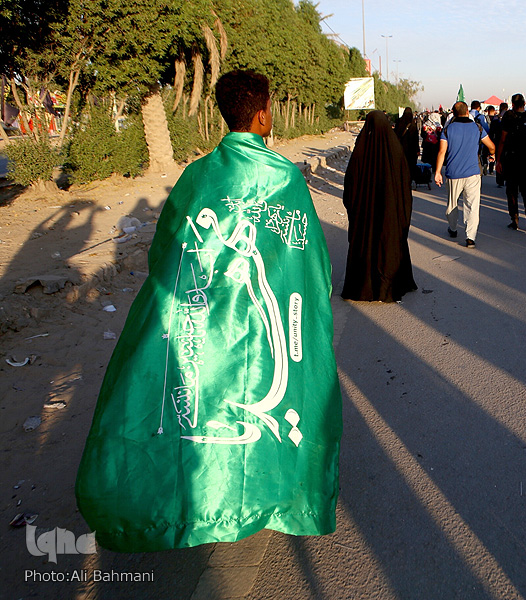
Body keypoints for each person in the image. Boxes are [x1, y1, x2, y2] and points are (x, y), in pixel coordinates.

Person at [75, 70, 343, 551]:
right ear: (263, 115)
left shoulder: (197, 176)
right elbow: (309, 261)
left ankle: (195, 506)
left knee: (205, 400)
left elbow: (166, 251)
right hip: (264, 322)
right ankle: (272, 500)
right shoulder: (284, 178)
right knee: (265, 398)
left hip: (205, 317)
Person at [342, 110, 418, 302]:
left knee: (365, 245)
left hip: (364, 216)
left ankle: (363, 288)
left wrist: (356, 208)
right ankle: (387, 287)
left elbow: (350, 186)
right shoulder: (395, 151)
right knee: (389, 245)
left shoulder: (360, 152)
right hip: (390, 214)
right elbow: (404, 185)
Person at [434, 101, 496, 248]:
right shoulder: (477, 128)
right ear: (467, 112)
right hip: (473, 173)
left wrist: (437, 172)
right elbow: (491, 146)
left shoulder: (447, 130)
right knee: (472, 205)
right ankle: (470, 237)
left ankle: (453, 228)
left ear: (454, 114)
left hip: (453, 173)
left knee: (452, 204)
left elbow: (442, 152)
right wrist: (492, 154)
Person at [496, 93, 526, 233]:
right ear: (524, 104)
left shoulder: (509, 118)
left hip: (512, 160)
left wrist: (498, 160)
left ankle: (514, 219)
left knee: (512, 191)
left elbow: (502, 140)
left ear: (513, 104)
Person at [394, 107, 419, 173]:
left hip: (400, 148)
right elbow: (415, 138)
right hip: (411, 149)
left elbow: (395, 134)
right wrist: (417, 149)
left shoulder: (399, 122)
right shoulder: (412, 124)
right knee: (410, 166)